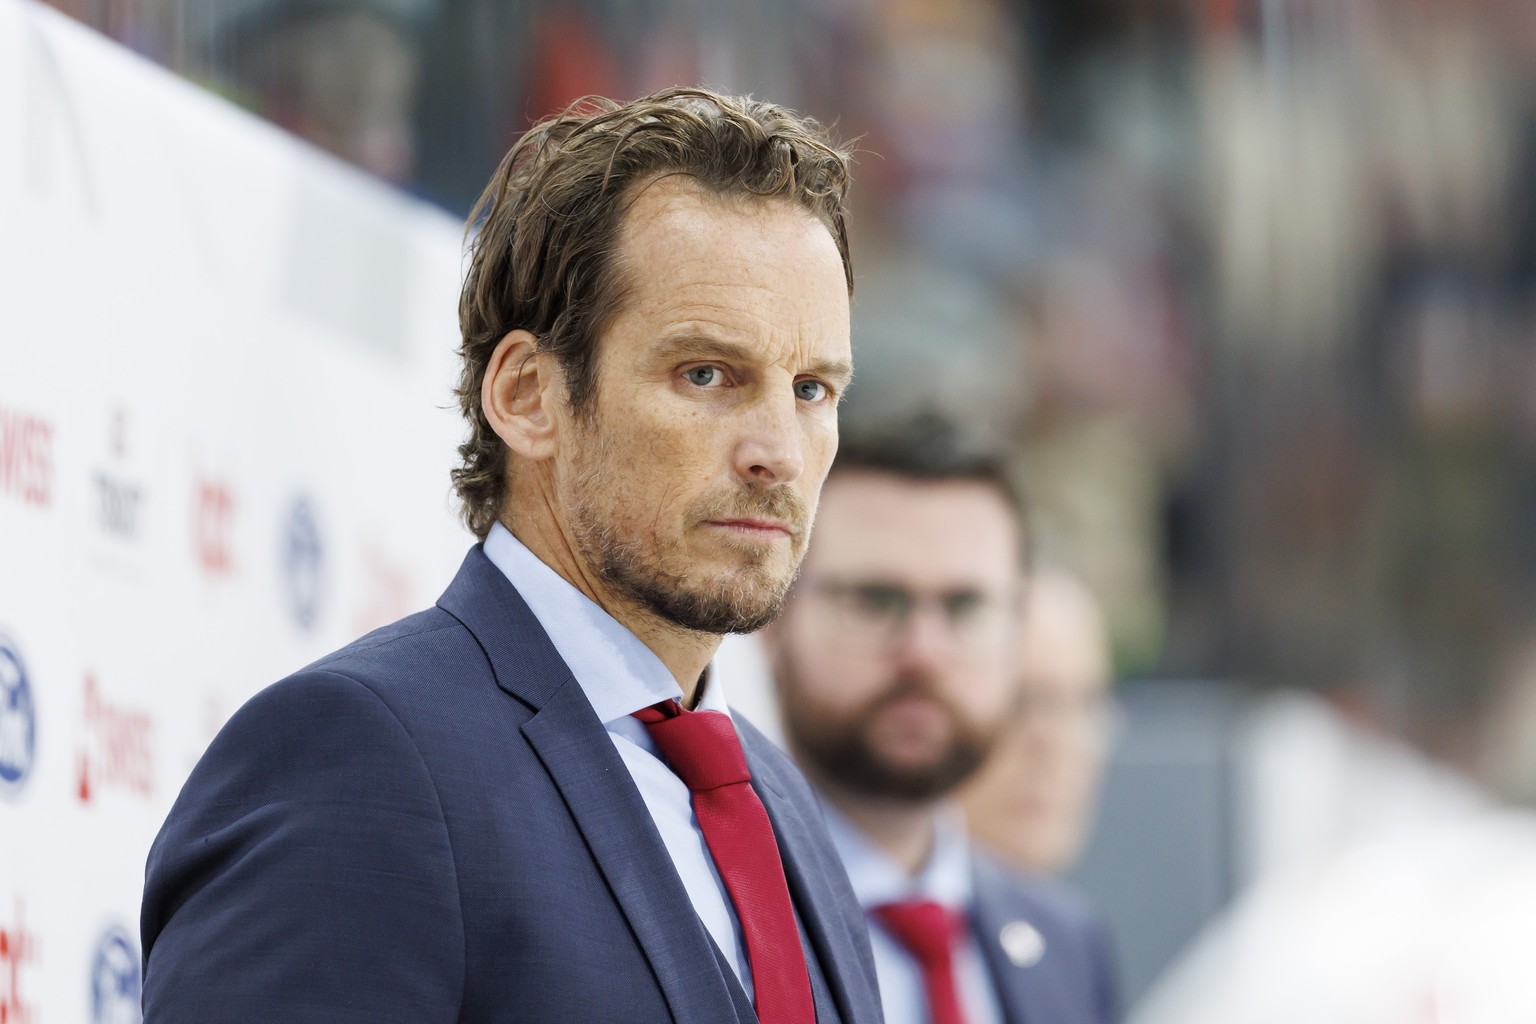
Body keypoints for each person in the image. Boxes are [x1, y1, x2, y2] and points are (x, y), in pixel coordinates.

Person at [140, 87, 883, 1024]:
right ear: (529, 394)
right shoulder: (360, 761)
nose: (777, 449)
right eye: (706, 373)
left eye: (813, 388)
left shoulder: (780, 804)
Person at [761, 417, 1119, 1024]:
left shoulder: (1066, 948)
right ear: (773, 621)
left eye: (965, 606)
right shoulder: (705, 917)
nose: (923, 652)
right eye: (874, 600)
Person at [958, 567, 1117, 877]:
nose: (1052, 744)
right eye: (1017, 703)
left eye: (1086, 703)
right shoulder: (859, 918)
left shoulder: (1072, 924)